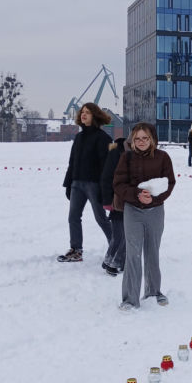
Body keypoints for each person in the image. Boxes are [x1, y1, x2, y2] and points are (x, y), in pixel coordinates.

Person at [113, 122, 176, 310]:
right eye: (137, 138)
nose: (141, 141)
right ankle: (130, 299)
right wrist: (136, 195)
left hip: (155, 210)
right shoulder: (126, 158)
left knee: (152, 252)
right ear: (133, 140)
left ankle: (154, 291)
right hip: (133, 211)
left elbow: (169, 182)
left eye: (145, 138)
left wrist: (155, 197)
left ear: (152, 139)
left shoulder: (163, 157)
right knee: (133, 254)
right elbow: (118, 183)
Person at [58, 102, 112, 263]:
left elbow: (107, 166)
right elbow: (72, 162)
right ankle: (76, 250)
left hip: (94, 185)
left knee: (101, 218)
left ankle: (117, 246)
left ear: (95, 116)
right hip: (77, 184)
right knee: (73, 217)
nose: (83, 114)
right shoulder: (79, 137)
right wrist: (68, 184)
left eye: (88, 112)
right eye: (82, 112)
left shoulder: (103, 138)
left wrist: (105, 189)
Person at [100, 135, 127, 275]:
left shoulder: (140, 153)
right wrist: (107, 200)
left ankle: (111, 260)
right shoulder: (116, 152)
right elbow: (106, 177)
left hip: (130, 199)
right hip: (117, 200)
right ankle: (114, 262)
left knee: (123, 234)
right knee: (121, 234)